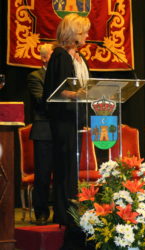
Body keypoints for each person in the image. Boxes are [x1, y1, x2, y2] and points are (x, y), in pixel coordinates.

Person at [42, 13, 92, 249]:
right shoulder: (60, 55)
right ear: (74, 33)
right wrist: (81, 94)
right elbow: (58, 89)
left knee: (71, 168)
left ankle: (71, 212)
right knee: (64, 167)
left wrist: (87, 94)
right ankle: (64, 214)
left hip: (75, 118)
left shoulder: (77, 58)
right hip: (62, 120)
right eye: (84, 32)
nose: (87, 36)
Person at [27, 43, 54, 225]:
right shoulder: (35, 76)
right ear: (44, 58)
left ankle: (62, 212)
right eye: (54, 55)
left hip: (63, 130)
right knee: (43, 175)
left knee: (63, 175)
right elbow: (40, 101)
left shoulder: (67, 76)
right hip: (44, 130)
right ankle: (41, 213)